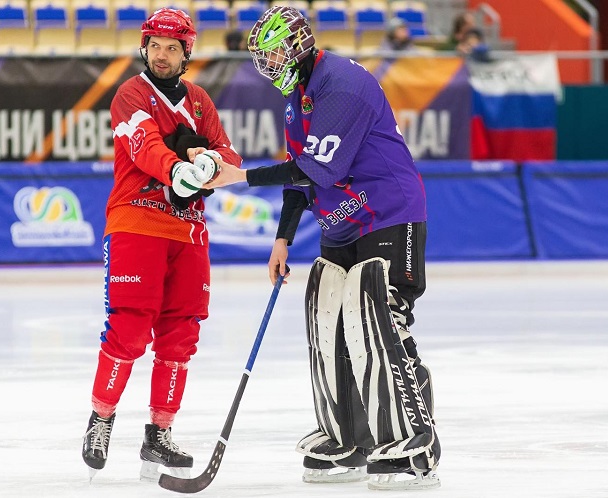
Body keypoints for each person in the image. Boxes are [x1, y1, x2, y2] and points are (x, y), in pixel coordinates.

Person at [202, 6, 441, 491]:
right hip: (339, 221)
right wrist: (282, 240)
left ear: (294, 46)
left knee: (378, 315)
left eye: (271, 54)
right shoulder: (298, 98)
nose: (267, 66)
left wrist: (240, 177)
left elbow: (319, 171)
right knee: (328, 312)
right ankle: (349, 437)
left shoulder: (342, 85)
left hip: (388, 210)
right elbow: (298, 173)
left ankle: (418, 441)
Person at [81, 7, 242, 482]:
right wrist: (177, 170)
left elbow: (230, 156)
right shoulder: (132, 93)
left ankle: (159, 435)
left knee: (180, 335)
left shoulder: (200, 100)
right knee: (130, 329)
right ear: (145, 48)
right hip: (137, 221)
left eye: (173, 48)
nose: (163, 55)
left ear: (186, 52)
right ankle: (101, 418)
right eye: (155, 46)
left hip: (188, 231)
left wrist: (207, 160)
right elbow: (144, 145)